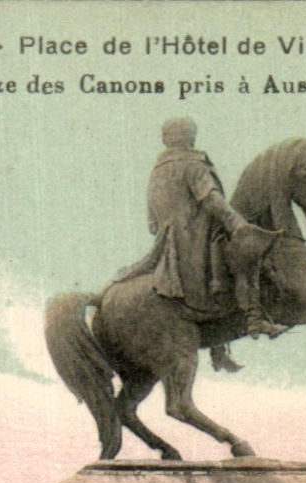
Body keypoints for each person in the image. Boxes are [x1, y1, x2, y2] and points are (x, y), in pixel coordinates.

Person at [120, 117, 284, 373]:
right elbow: (211, 199)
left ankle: (219, 350)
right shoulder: (193, 164)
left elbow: (152, 223)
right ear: (190, 137)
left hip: (167, 247)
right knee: (245, 254)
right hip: (198, 242)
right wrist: (237, 224)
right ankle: (255, 318)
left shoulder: (157, 170)